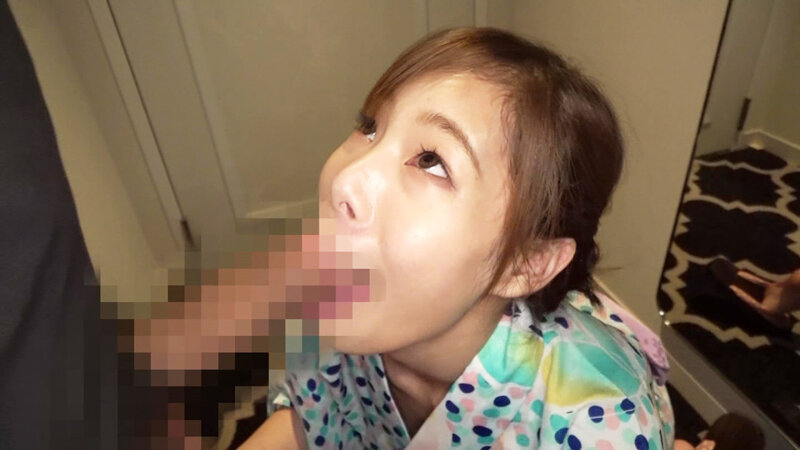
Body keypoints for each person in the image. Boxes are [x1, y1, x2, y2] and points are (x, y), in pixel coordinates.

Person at [242, 27, 675, 449]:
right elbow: (310, 413)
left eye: (432, 160)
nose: (344, 180)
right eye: (369, 126)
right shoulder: (344, 292)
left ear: (526, 263)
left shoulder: (602, 420)